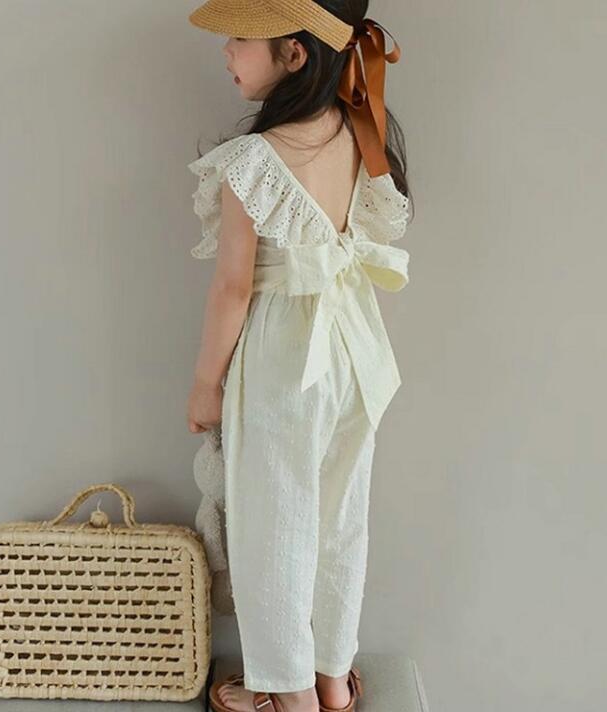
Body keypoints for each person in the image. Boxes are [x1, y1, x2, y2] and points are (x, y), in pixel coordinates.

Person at [185, 2, 413, 711]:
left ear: (293, 54)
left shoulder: (254, 162)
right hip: (350, 348)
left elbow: (232, 288)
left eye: (241, 37)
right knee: (340, 515)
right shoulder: (357, 132)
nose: (226, 51)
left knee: (273, 522)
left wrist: (206, 383)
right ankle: (331, 679)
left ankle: (287, 693)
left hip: (286, 355)